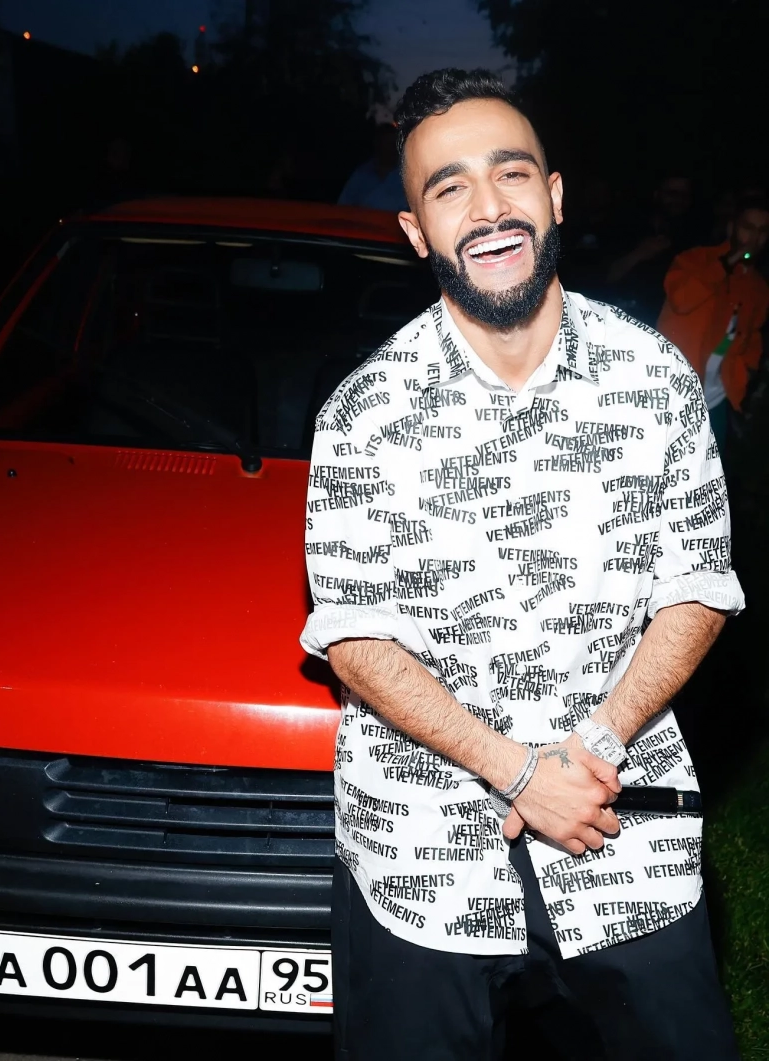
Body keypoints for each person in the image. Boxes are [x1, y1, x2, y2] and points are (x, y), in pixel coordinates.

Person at [300, 68, 744, 1060]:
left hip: (620, 832)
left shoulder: (653, 378)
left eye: (509, 174)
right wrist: (518, 774)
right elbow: (355, 638)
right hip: (423, 857)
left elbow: (698, 584)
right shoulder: (366, 414)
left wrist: (597, 742)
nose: (488, 207)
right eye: (449, 187)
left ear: (553, 194)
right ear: (415, 229)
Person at [657, 194, 769, 460]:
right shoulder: (695, 260)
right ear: (732, 227)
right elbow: (681, 300)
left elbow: (751, 336)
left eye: (763, 231)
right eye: (748, 227)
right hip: (670, 392)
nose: (754, 237)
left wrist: (745, 374)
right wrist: (726, 264)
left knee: (709, 475)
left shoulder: (758, 286)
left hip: (716, 399)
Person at [605, 173, 699, 325]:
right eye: (672, 193)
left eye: (685, 195)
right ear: (657, 194)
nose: (678, 200)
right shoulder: (627, 226)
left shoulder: (695, 240)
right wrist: (639, 254)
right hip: (618, 321)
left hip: (665, 326)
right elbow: (602, 277)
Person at [337, 122, 408, 212]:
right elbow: (342, 207)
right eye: (387, 143)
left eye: (393, 144)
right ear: (377, 144)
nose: (391, 149)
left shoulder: (406, 176)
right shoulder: (361, 175)